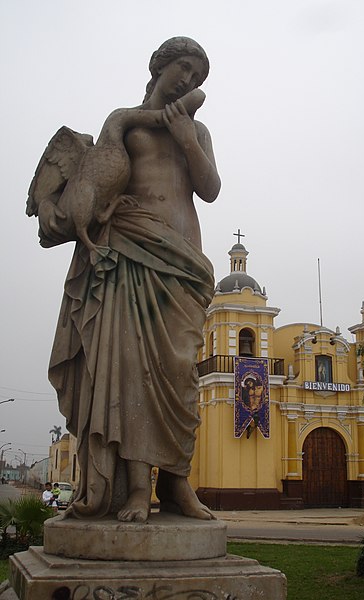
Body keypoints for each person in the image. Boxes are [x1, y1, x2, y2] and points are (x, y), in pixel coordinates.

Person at [44, 37, 220, 523]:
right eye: (184, 69)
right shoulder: (124, 124)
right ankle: (139, 490)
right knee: (132, 375)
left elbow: (210, 189)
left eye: (199, 78)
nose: (189, 82)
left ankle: (178, 484)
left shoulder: (197, 130)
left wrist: (187, 139)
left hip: (182, 265)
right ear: (160, 68)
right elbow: (97, 179)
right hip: (131, 253)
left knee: (180, 373)